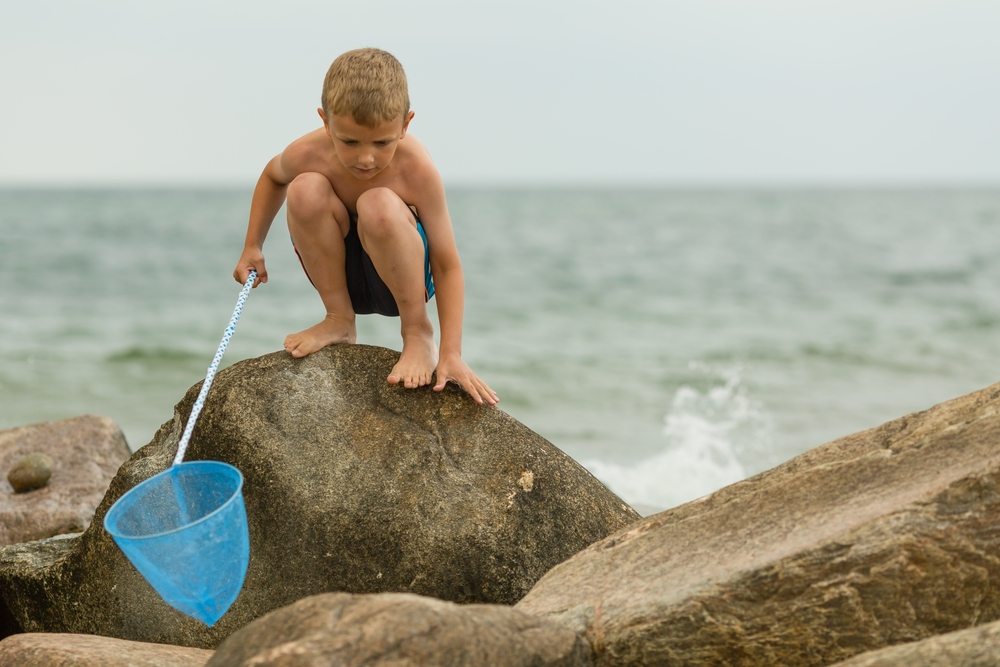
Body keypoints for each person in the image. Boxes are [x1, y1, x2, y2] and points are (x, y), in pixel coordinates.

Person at [233, 48, 498, 406]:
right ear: (325, 122)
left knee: (377, 203)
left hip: (404, 282)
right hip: (345, 276)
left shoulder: (416, 169)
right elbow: (272, 176)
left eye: (382, 142)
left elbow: (447, 263)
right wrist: (253, 246)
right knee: (304, 188)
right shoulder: (308, 151)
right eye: (350, 142)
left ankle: (417, 332)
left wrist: (452, 352)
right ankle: (338, 319)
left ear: (406, 124)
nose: (366, 158)